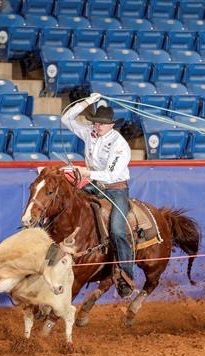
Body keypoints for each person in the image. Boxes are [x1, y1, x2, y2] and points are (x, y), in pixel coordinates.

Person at [61, 93, 135, 298]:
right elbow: (66, 119)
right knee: (67, 206)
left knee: (118, 230)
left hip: (115, 189)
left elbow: (111, 174)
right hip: (95, 185)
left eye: (102, 124)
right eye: (96, 123)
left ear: (111, 125)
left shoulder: (119, 145)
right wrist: (88, 102)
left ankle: (126, 277)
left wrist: (87, 173)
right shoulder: (89, 133)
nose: (97, 127)